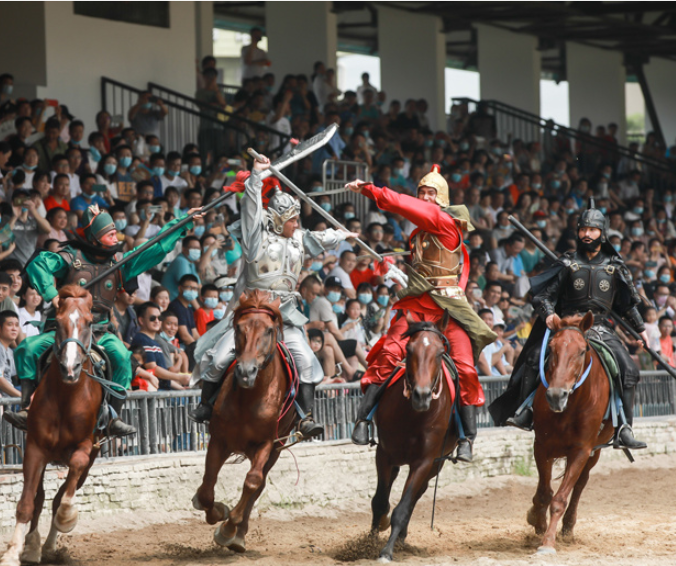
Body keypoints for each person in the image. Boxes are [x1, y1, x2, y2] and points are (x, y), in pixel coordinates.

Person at [190, 157, 355, 441]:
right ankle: (206, 406)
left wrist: (342, 234)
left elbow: (320, 237)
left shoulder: (299, 239)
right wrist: (255, 177)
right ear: (278, 219)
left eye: (296, 219)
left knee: (305, 361)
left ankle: (307, 418)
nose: (296, 223)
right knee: (217, 359)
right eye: (291, 219)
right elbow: (252, 207)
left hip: (285, 315)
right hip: (252, 310)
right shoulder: (257, 239)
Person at [4, 205, 200, 435]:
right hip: (67, 331)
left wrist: (182, 221)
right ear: (95, 239)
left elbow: (156, 247)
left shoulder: (120, 262)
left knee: (124, 358)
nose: (115, 237)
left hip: (101, 331)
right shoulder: (69, 257)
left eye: (115, 232)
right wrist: (53, 295)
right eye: (109, 234)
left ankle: (112, 417)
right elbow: (39, 264)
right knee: (27, 348)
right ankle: (27, 408)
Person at [345, 166, 496, 461]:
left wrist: (372, 190)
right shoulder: (420, 233)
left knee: (465, 367)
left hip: (448, 309)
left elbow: (404, 205)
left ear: (441, 199)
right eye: (421, 192)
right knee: (388, 353)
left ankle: (467, 438)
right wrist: (393, 270)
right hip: (416, 306)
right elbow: (421, 274)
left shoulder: (444, 221)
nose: (424, 197)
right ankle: (363, 420)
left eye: (431, 193)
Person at [489, 198, 648, 450]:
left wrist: (641, 329)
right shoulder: (566, 262)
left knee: (629, 369)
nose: (586, 234)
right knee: (532, 358)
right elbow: (542, 296)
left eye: (592, 230)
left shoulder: (614, 267)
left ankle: (624, 427)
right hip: (566, 326)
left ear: (602, 233)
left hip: (599, 327)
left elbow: (625, 305)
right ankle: (527, 409)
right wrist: (549, 314)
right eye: (583, 230)